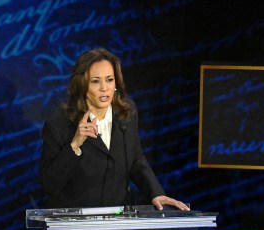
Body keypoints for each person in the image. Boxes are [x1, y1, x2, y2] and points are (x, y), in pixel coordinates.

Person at [39, 47, 189, 211]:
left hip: (118, 222)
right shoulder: (59, 124)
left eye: (109, 79)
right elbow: (49, 184)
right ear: (82, 85)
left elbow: (135, 159)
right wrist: (74, 146)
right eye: (96, 81)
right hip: (77, 224)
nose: (105, 88)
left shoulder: (127, 112)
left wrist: (155, 193)